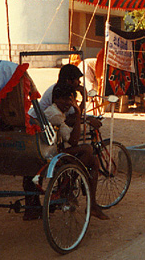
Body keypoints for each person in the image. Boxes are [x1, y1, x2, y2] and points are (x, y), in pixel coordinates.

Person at [42, 83, 108, 220]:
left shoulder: (58, 112)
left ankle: (89, 202)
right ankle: (69, 186)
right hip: (53, 153)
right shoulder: (54, 114)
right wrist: (78, 115)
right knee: (88, 150)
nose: (69, 104)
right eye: (66, 100)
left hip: (57, 149)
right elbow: (73, 141)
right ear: (55, 99)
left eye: (71, 100)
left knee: (93, 161)